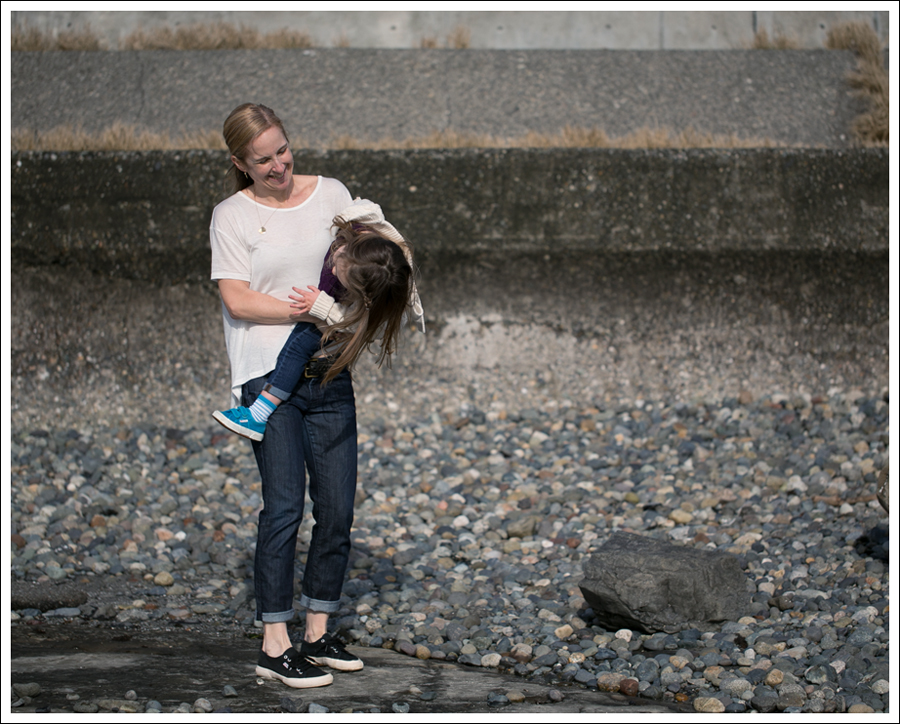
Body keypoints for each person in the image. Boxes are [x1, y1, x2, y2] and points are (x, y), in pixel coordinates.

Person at [209, 103, 424, 689]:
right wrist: (312, 310)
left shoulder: (331, 193)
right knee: (283, 509)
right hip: (265, 377)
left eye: (283, 150)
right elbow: (238, 301)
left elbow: (372, 262)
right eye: (263, 159)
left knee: (336, 511)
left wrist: (345, 310)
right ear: (240, 163)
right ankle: (273, 644)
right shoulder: (231, 215)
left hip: (330, 371)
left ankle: (317, 632)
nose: (278, 165)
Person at [212, 198, 425, 442]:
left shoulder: (383, 291)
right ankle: (260, 412)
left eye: (340, 275)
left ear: (365, 296)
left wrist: (323, 308)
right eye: (337, 260)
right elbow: (369, 209)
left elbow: (363, 328)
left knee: (299, 344)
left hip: (337, 328)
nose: (333, 270)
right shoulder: (363, 236)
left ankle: (259, 413)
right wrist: (358, 206)